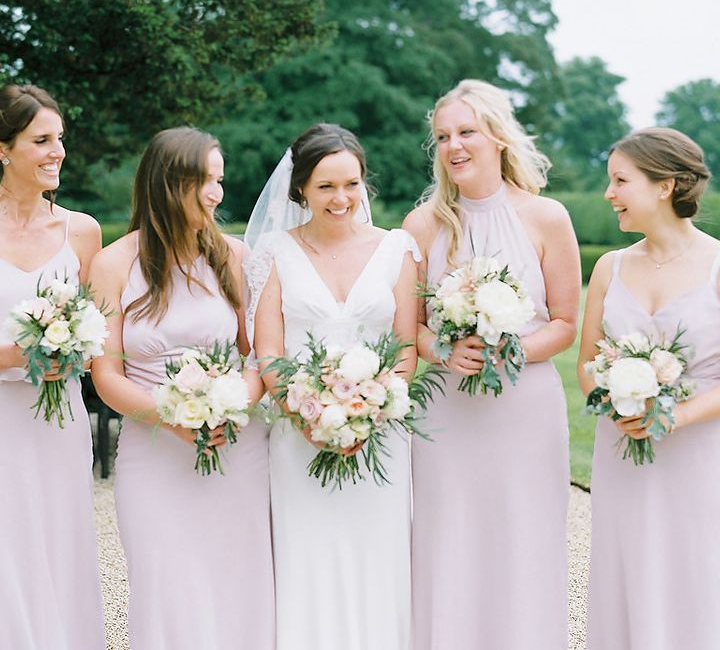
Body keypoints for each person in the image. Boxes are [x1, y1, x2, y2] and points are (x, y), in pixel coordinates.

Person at [404, 79, 580, 649]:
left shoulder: (546, 217)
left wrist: (509, 354)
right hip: (450, 412)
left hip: (525, 408)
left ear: (498, 138)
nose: (453, 146)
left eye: (466, 132)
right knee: (448, 535)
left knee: (524, 535)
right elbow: (408, 326)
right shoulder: (422, 226)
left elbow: (565, 322)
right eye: (442, 137)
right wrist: (442, 350)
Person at [89, 127, 272, 650]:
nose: (217, 193)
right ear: (169, 184)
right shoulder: (113, 263)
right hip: (151, 450)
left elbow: (257, 355)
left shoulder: (233, 256)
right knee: (165, 583)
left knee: (239, 583)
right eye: (205, 181)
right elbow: (106, 375)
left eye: (219, 179)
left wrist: (230, 408)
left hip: (233, 446)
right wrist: (170, 419)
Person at [248, 122, 419, 649]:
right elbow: (269, 352)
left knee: (379, 555)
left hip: (380, 436)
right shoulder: (274, 251)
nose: (341, 198)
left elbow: (407, 346)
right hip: (299, 437)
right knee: (308, 557)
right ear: (300, 188)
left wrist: (372, 409)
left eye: (351, 184)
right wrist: (307, 415)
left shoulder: (397, 249)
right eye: (325, 186)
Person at [0, 84, 105, 648]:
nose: (57, 151)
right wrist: (18, 355)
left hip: (55, 421)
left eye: (59, 139)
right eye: (41, 140)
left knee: (62, 552)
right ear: (0, 148)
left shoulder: (82, 231)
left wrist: (74, 354)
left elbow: (97, 337)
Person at [578, 127, 720, 649]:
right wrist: (615, 402)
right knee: (626, 569)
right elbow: (588, 362)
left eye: (620, 180)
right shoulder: (610, 268)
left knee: (697, 573)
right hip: (622, 450)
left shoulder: (718, 265)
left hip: (699, 455)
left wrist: (673, 417)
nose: (609, 194)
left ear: (664, 186)